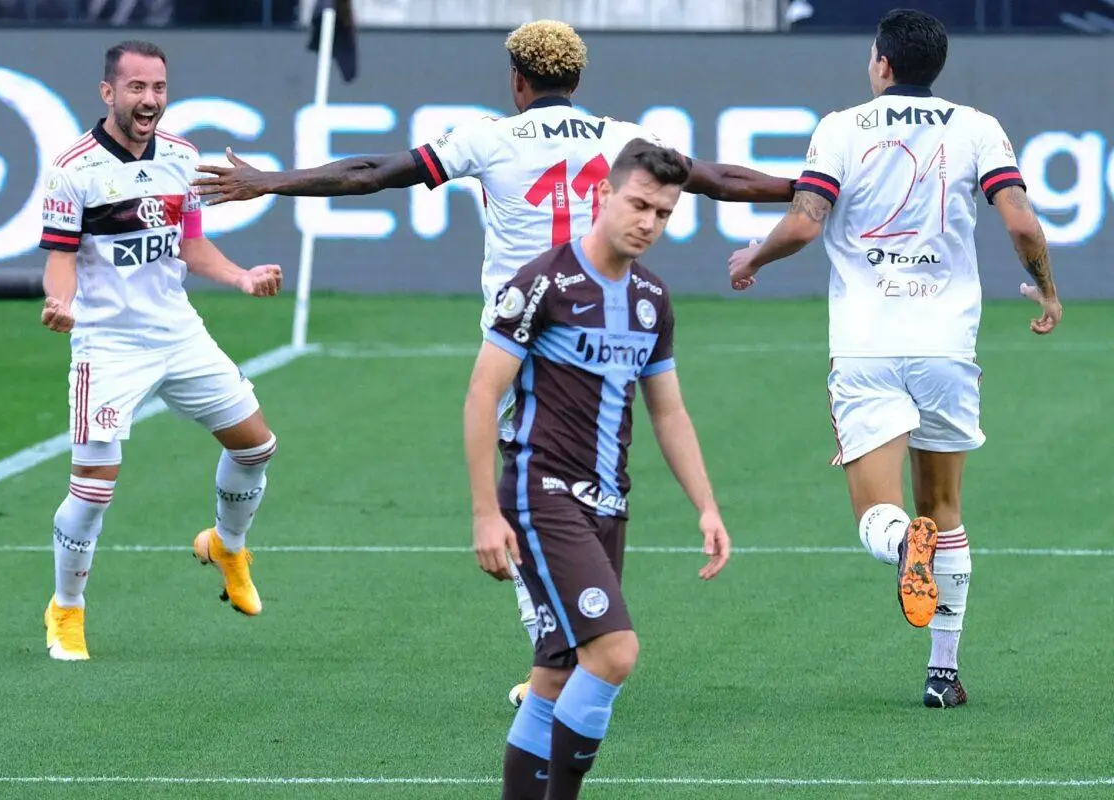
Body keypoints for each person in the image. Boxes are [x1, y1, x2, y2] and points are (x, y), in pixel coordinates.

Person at [193, 19, 786, 704]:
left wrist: (270, 181)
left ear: (516, 81)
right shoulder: (622, 139)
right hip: (601, 333)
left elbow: (370, 174)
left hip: (527, 334)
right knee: (593, 479)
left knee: (532, 488)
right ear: (578, 81)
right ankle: (566, 650)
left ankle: (555, 658)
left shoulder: (487, 136)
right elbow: (722, 178)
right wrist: (813, 189)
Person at [727, 8, 1062, 708]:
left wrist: (753, 257)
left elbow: (803, 222)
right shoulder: (978, 127)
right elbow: (1023, 221)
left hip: (866, 345)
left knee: (878, 516)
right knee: (946, 508)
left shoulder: (841, 128)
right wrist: (1048, 293)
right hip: (946, 346)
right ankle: (943, 674)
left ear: (882, 63)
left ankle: (899, 542)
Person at [465, 138, 732, 800]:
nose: (649, 222)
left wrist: (706, 505)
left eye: (664, 213)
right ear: (602, 196)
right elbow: (481, 394)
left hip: (608, 503)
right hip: (539, 493)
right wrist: (485, 512)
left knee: (555, 675)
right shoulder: (541, 284)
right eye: (639, 203)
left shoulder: (650, 298)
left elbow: (668, 412)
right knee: (613, 653)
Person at [39, 40, 285, 661]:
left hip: (178, 332)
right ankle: (66, 610)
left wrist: (240, 277)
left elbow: (191, 246)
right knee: (94, 489)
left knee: (256, 445)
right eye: (137, 89)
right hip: (109, 344)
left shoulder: (182, 156)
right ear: (108, 93)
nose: (150, 101)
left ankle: (227, 545)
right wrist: (61, 303)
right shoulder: (73, 169)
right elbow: (60, 261)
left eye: (158, 89)